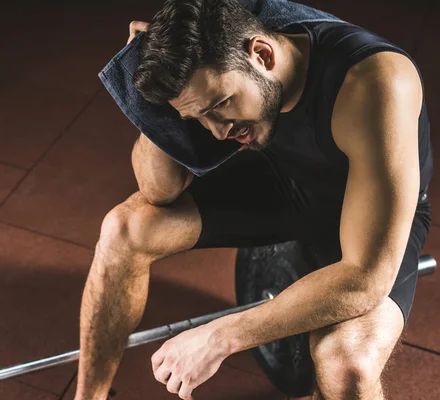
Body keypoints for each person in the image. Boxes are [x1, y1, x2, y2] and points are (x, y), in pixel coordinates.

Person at [74, 0, 433, 399]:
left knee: (345, 361)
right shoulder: (214, 56)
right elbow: (159, 189)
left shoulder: (374, 81)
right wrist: (154, 106)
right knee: (125, 228)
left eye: (220, 105)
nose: (216, 132)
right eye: (199, 120)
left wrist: (220, 337)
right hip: (286, 183)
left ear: (262, 54)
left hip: (372, 218)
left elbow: (365, 280)